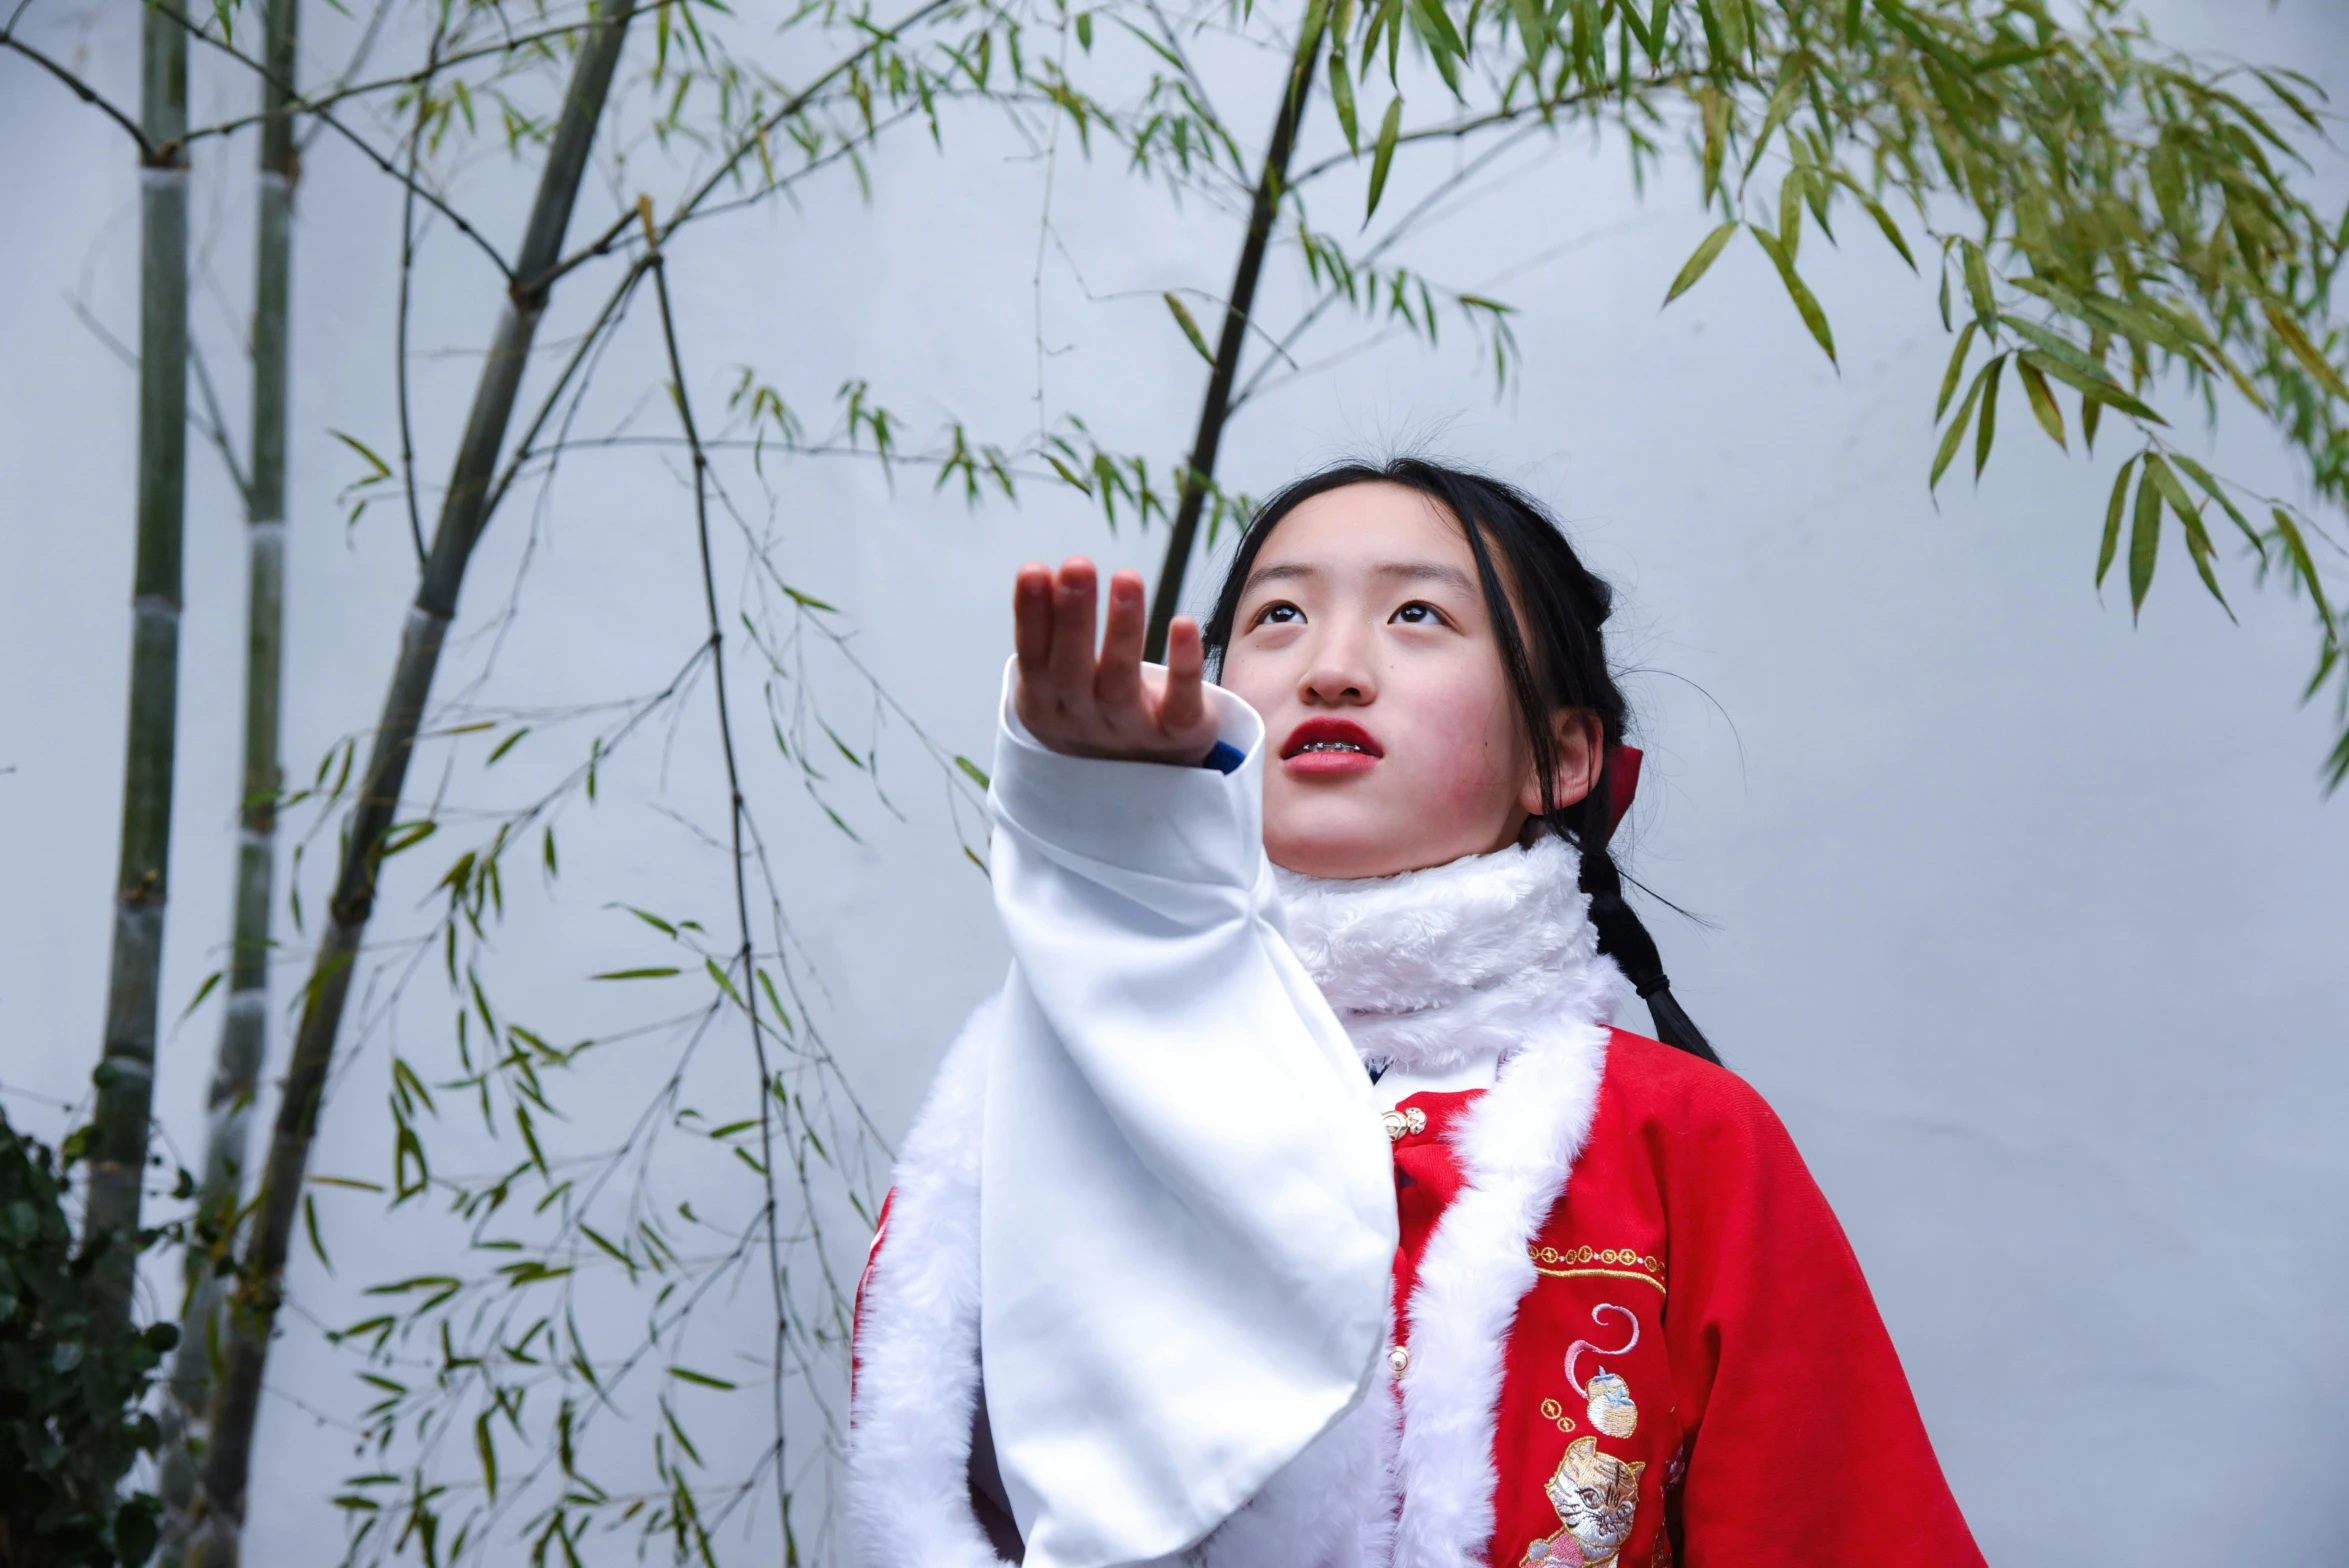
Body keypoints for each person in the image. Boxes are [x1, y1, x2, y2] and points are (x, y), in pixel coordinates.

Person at [847, 459, 1985, 1568]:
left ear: (1566, 753)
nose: (1333, 666)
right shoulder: (1060, 1088)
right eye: (1280, 613)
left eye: (1417, 616)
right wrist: (1115, 891)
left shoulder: (1683, 1139)